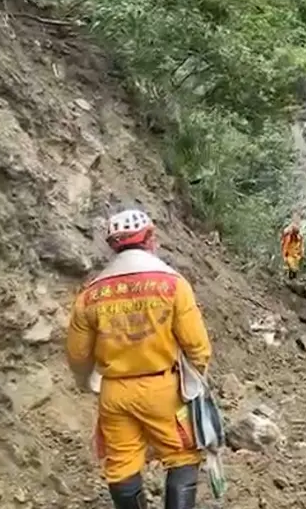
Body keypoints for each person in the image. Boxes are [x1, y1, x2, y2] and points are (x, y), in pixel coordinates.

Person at [66, 208, 213, 509]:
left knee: (121, 464)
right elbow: (197, 345)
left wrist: (89, 383)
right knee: (182, 455)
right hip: (163, 388)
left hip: (114, 392)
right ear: (150, 239)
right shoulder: (173, 284)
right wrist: (195, 378)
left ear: (113, 245)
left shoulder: (91, 294)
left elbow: (78, 354)